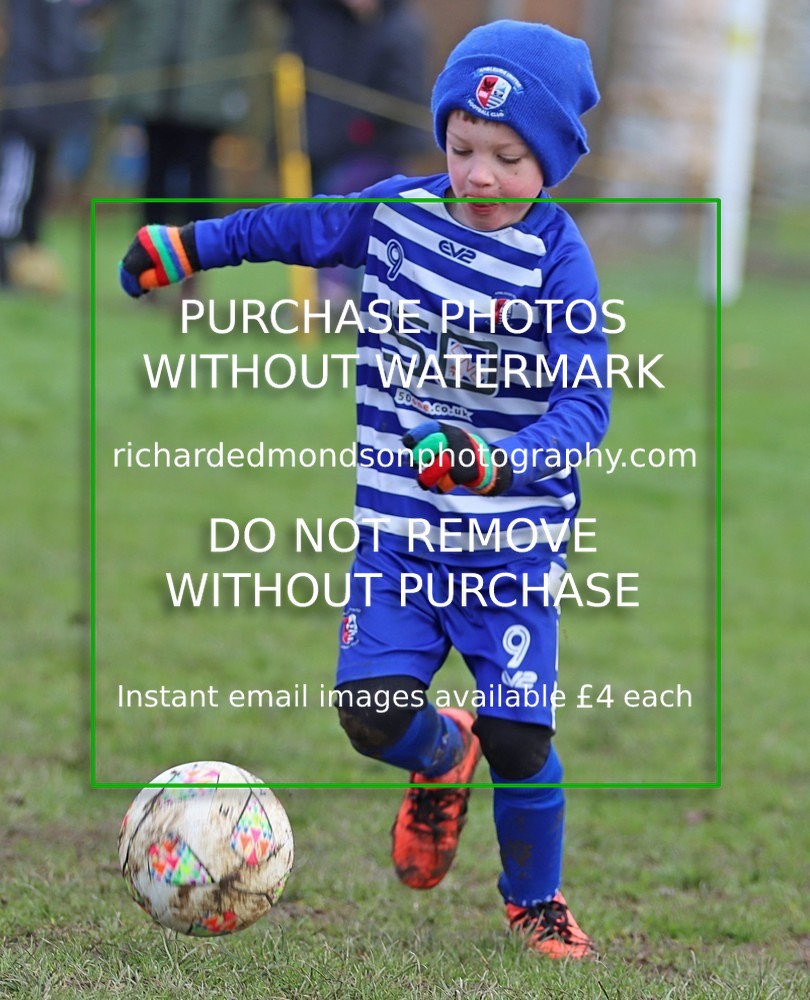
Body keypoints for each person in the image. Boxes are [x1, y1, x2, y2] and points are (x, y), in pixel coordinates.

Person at [119, 19, 608, 960]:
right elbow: (289, 228)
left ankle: (534, 900)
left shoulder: (558, 260)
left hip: (509, 546)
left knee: (522, 740)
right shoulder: (397, 212)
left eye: (508, 157)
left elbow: (588, 404)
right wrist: (189, 245)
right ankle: (439, 756)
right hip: (398, 536)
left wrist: (499, 460)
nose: (478, 175)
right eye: (462, 148)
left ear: (550, 162)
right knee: (371, 716)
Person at [0, 0, 96, 293]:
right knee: (13, 188)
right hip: (22, 103)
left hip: (49, 103)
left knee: (34, 189)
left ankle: (28, 256)